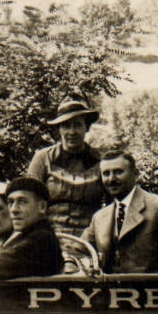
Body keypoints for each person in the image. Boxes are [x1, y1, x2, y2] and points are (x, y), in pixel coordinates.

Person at [86, 150, 158, 274]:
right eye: (106, 174)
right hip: (109, 291)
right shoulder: (99, 217)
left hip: (151, 290)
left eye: (118, 172)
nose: (111, 179)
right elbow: (78, 248)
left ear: (135, 174)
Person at [24, 100, 104, 240]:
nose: (72, 132)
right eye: (66, 126)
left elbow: (112, 205)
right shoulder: (43, 159)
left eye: (77, 125)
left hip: (91, 236)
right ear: (59, 129)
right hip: (48, 237)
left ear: (86, 127)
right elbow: (30, 201)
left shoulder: (101, 161)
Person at [0, 177, 64, 280]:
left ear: (42, 207)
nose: (14, 209)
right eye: (11, 202)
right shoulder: (28, 236)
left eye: (22, 202)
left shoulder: (41, 240)